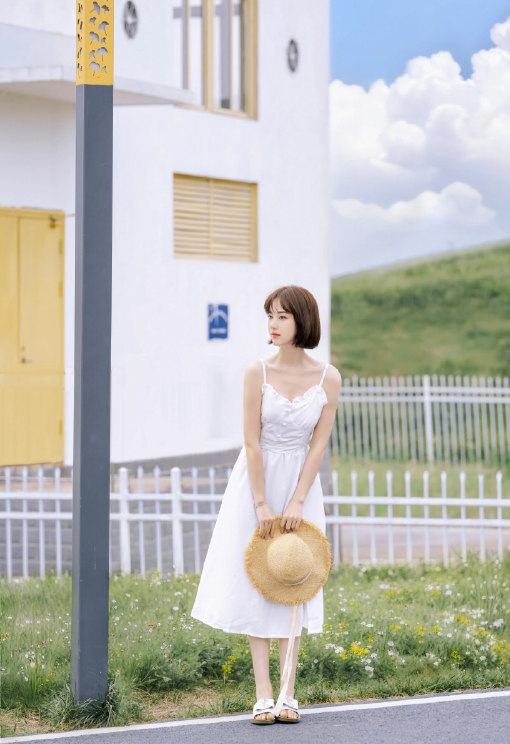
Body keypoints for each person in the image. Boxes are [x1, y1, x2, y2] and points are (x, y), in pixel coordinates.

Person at [190, 285, 341, 723]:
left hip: (301, 486)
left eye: (282, 317)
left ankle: (289, 693)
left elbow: (318, 446)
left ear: (302, 321)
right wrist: (261, 505)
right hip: (255, 484)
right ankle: (262, 693)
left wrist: (297, 500)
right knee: (257, 576)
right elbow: (251, 441)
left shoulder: (328, 377)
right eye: (270, 316)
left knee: (294, 576)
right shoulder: (256, 371)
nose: (273, 325)